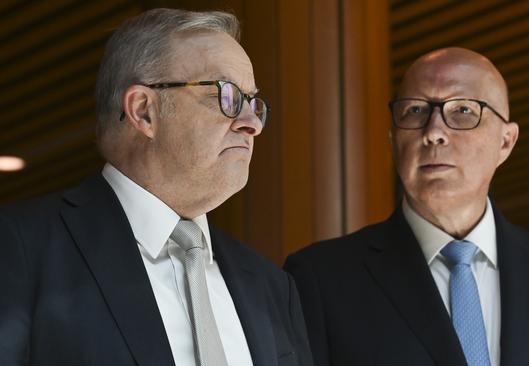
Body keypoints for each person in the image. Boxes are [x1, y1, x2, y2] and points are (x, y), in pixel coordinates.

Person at [284, 47, 529, 366]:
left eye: (463, 110)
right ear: (394, 140)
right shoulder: (319, 279)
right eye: (415, 110)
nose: (434, 131)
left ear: (506, 141)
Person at [0, 8, 312, 366]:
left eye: (253, 103)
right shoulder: (19, 248)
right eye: (226, 95)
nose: (250, 124)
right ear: (144, 110)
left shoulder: (272, 287)